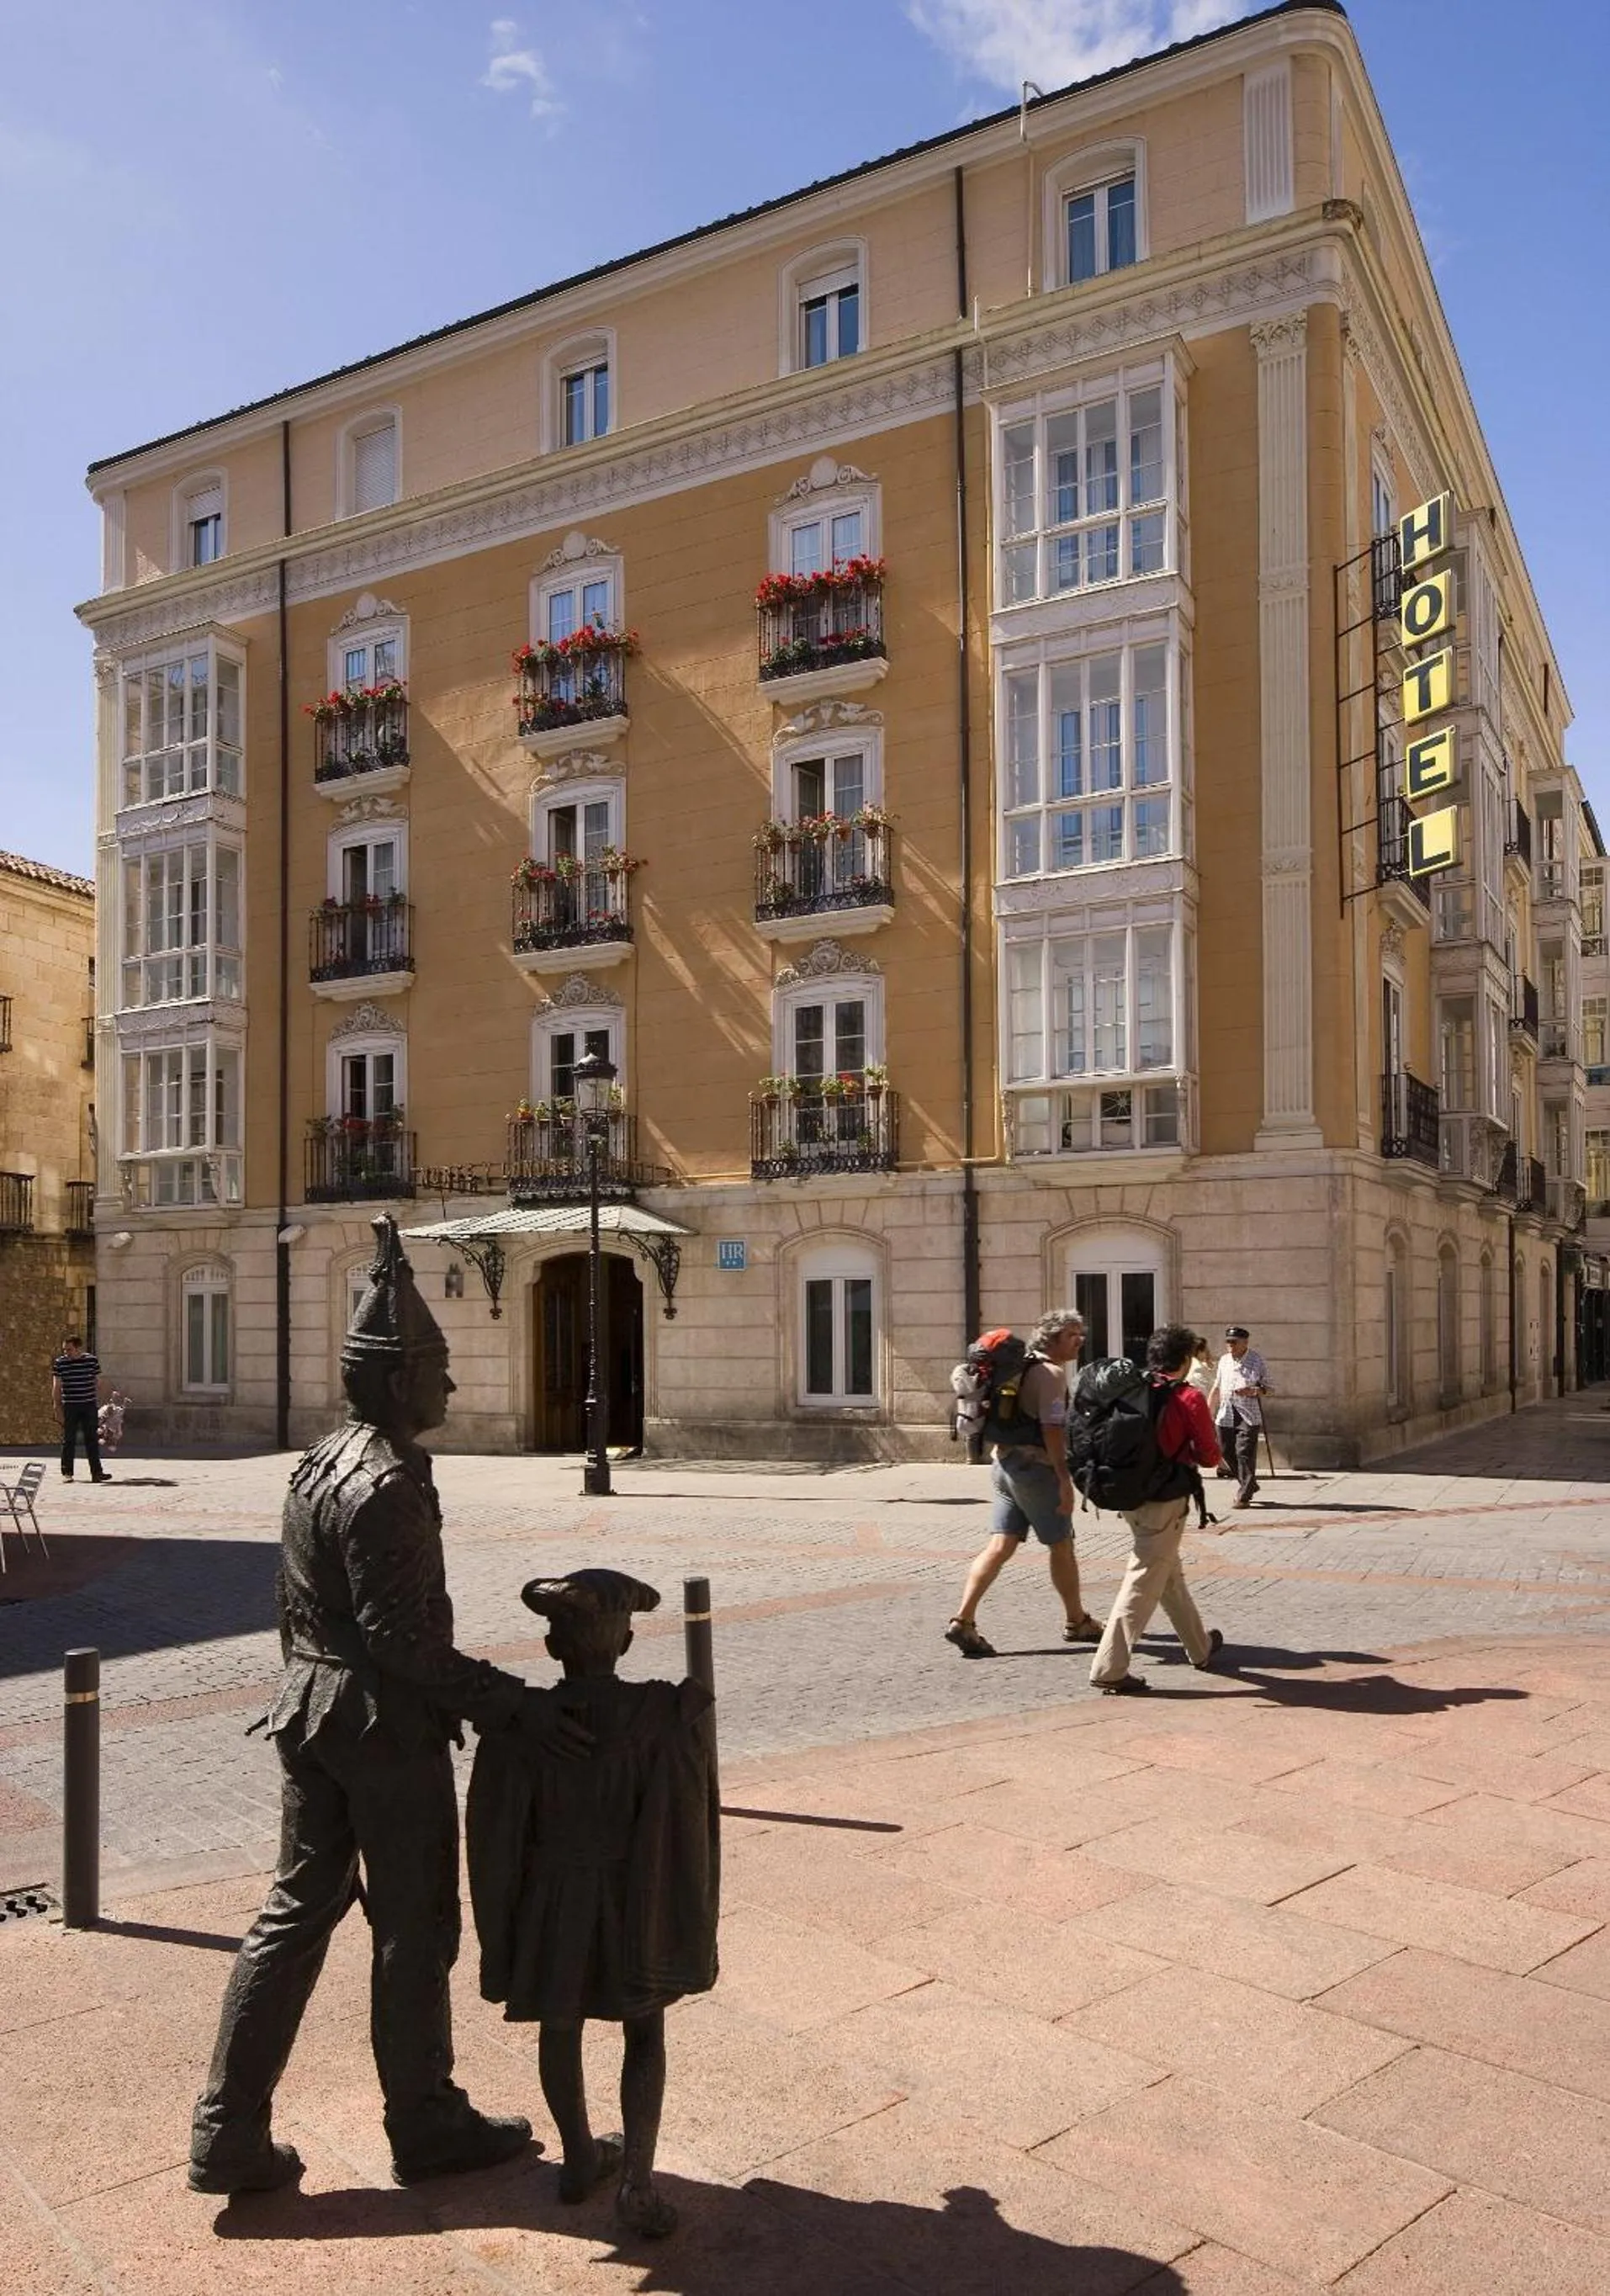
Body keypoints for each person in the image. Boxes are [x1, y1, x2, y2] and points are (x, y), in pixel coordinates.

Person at [188, 1215, 591, 2198]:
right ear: (396, 1377)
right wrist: (510, 1704)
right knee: (416, 1924)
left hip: (312, 1715)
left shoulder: (324, 1460)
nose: (450, 1384)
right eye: (438, 1368)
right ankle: (425, 2119)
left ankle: (225, 2130)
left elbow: (296, 1606)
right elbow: (402, 1643)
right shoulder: (385, 1485)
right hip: (378, 1729)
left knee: (294, 1911)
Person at [467, 1569, 719, 2240]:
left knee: (562, 2023)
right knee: (645, 2029)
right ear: (629, 1641)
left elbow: (496, 1834)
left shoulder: (524, 1730)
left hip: (555, 1898)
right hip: (636, 1897)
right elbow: (692, 1818)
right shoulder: (667, 1712)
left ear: (554, 1648)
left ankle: (579, 2154)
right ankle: (636, 2178)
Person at [944, 1308, 1103, 1658]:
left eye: (1081, 1333)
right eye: (1073, 1334)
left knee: (1000, 1545)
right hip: (1035, 1470)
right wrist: (1063, 1479)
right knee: (1061, 1545)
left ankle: (963, 1619)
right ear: (1053, 1338)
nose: (1081, 1340)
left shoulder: (1021, 1366)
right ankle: (1077, 1622)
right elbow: (1052, 1429)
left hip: (1003, 1464)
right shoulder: (1050, 1373)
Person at [1088, 1323, 1225, 1694]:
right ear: (1184, 1359)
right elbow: (1211, 1456)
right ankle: (1110, 1667)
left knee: (1168, 1575)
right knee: (1145, 1576)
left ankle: (1200, 1647)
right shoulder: (1187, 1398)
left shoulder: (1132, 1388)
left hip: (1127, 1495)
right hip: (1165, 1499)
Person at [1209, 1324, 1271, 1509]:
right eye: (1228, 1342)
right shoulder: (1224, 1360)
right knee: (1226, 1451)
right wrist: (1209, 1407)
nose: (1230, 1345)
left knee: (1243, 1452)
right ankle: (1249, 1483)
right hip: (1226, 1413)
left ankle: (1244, 1494)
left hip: (1248, 1414)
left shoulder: (1256, 1360)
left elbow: (1270, 1386)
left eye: (1234, 1342)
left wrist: (1252, 1390)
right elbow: (1218, 1385)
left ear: (1245, 1342)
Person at [51, 1334, 108, 1482]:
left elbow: (99, 1382)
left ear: (78, 1349)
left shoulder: (91, 1361)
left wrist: (101, 1404)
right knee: (69, 1439)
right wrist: (57, 1407)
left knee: (92, 1439)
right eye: (64, 1350)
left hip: (89, 1404)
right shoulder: (60, 1363)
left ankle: (97, 1473)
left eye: (69, 1350)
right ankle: (67, 1473)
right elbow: (57, 1387)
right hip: (70, 1405)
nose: (66, 1353)